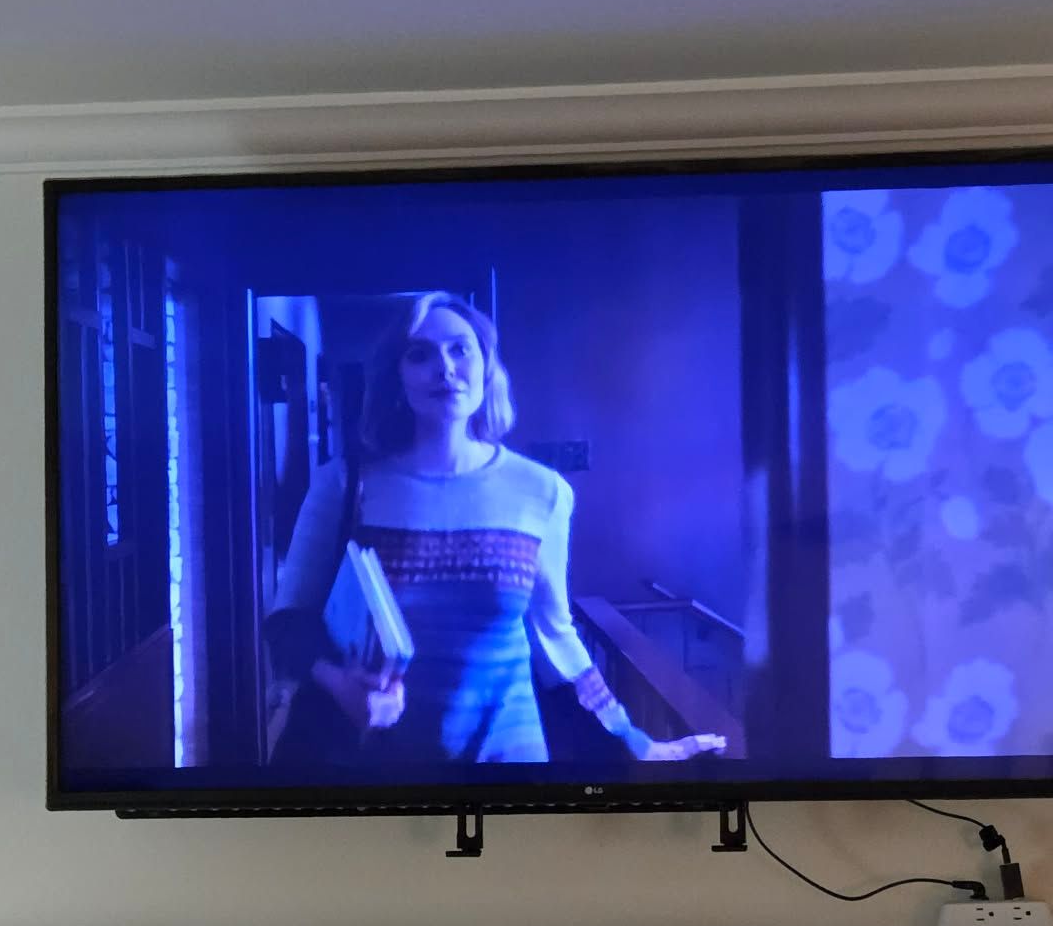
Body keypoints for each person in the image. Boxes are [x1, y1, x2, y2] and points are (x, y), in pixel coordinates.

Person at [266, 291, 727, 769]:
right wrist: (341, 686)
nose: (443, 368)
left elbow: (556, 637)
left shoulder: (541, 490)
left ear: (486, 366)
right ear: (397, 377)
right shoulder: (343, 483)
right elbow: (286, 624)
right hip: (373, 768)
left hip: (507, 762)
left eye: (460, 349)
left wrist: (635, 741)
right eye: (420, 353)